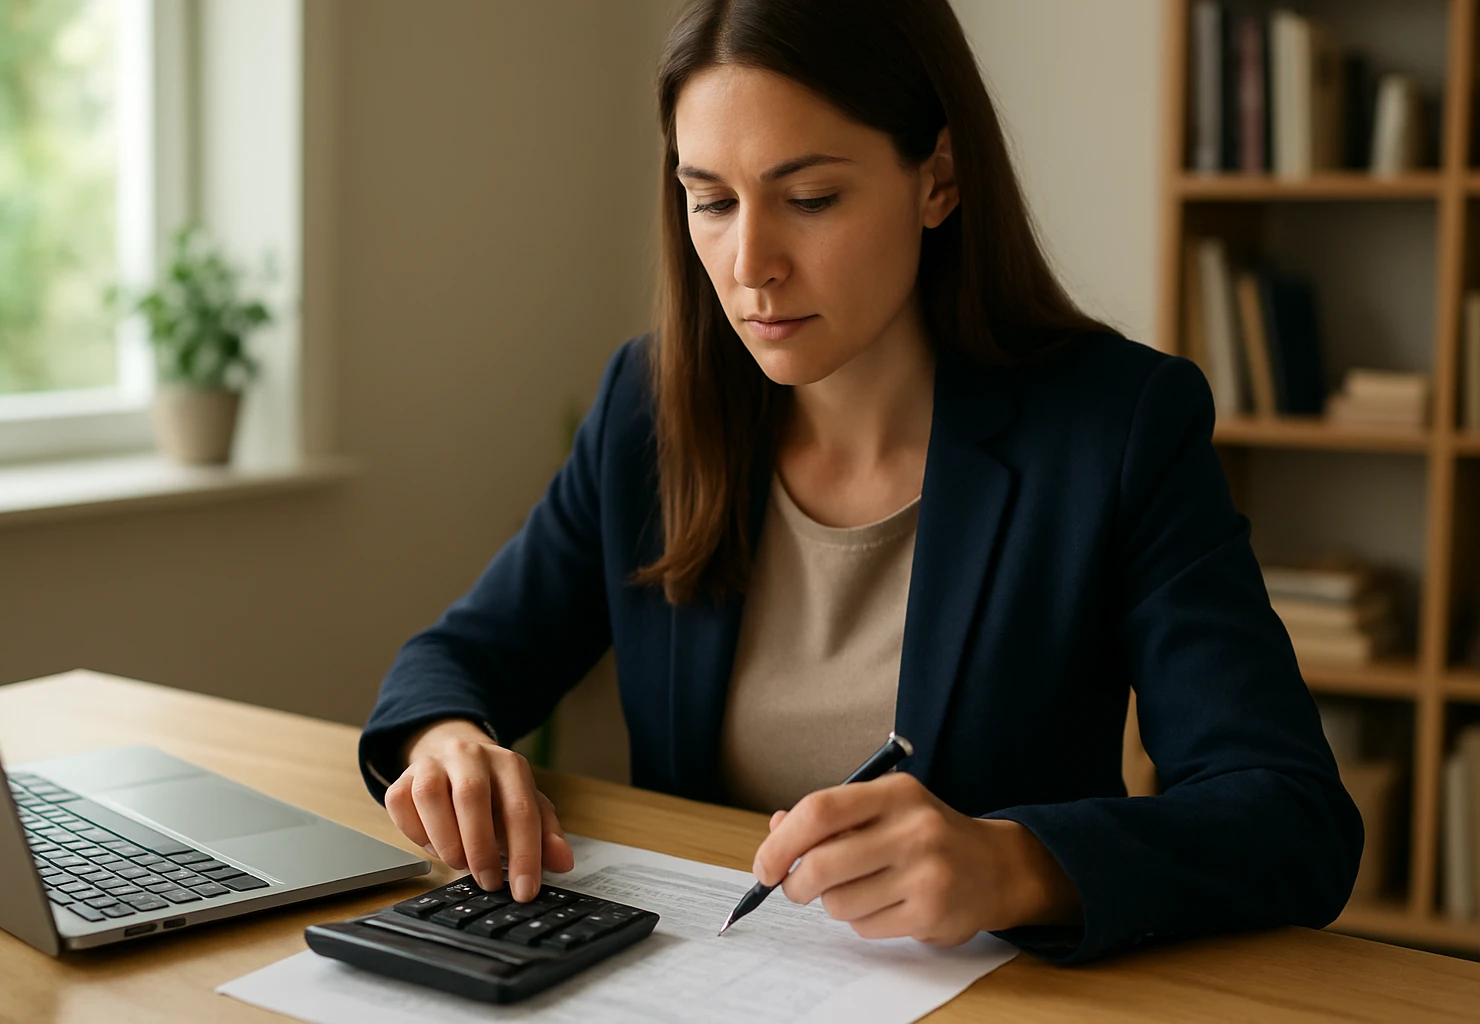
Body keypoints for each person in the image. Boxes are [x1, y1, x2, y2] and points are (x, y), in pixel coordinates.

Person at [358, 0, 1362, 964]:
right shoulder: (647, 408)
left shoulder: (1117, 430)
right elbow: (458, 659)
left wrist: (1017, 865)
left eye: (809, 199)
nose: (751, 263)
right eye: (709, 199)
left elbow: (1290, 814)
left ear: (939, 177)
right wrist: (451, 741)